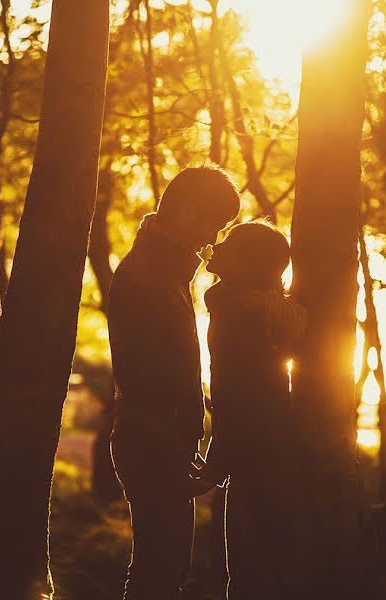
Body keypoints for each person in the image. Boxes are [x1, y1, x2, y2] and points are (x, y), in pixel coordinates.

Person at [108, 165, 241, 599]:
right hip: (151, 447)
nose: (211, 240)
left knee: (165, 569)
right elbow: (142, 375)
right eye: (212, 225)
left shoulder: (168, 274)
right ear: (187, 212)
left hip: (163, 447)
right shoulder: (145, 275)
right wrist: (170, 452)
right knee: (158, 571)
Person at [195, 221, 307, 599]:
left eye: (228, 243)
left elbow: (241, 392)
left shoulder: (241, 311)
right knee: (256, 569)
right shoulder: (252, 306)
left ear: (248, 265)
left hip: (257, 454)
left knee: (249, 572)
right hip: (266, 451)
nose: (215, 245)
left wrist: (218, 460)